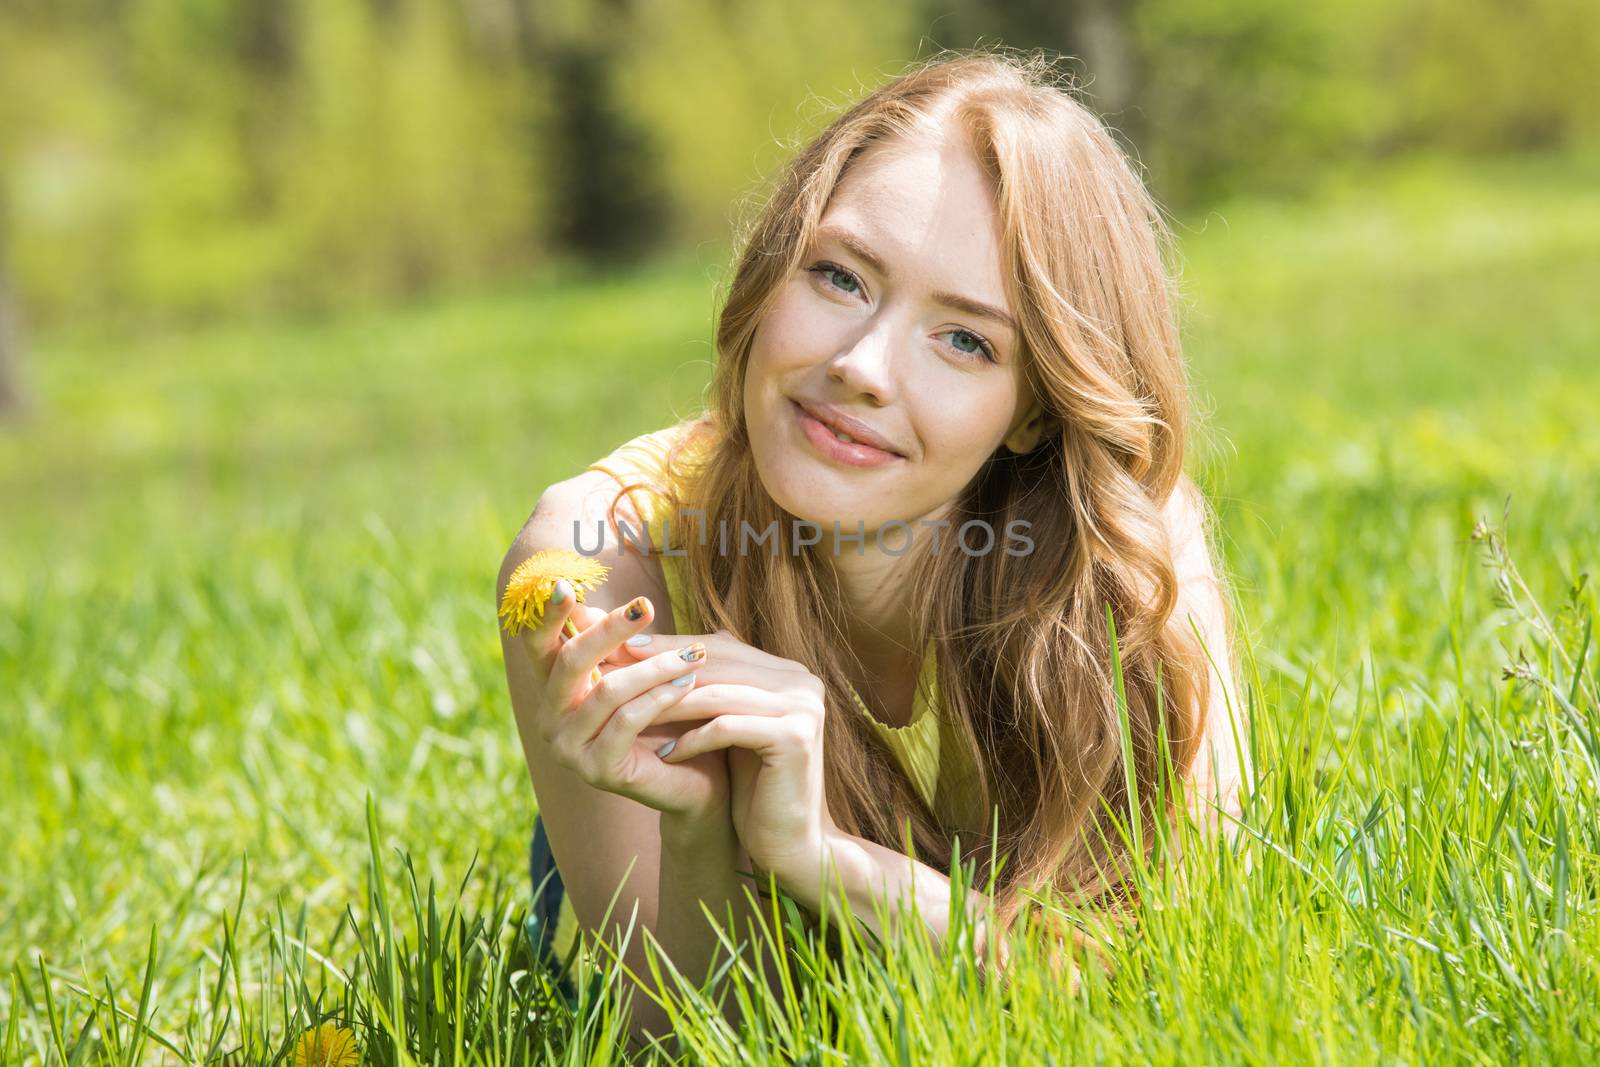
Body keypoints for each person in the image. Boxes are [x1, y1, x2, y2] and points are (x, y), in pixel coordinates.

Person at [496, 47, 1250, 1045]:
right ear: (774, 268)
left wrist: (820, 857)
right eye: (840, 276)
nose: (859, 367)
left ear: (1035, 409)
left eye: (966, 340)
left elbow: (1173, 983)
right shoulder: (605, 558)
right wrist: (699, 826)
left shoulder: (1129, 551)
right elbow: (682, 1037)